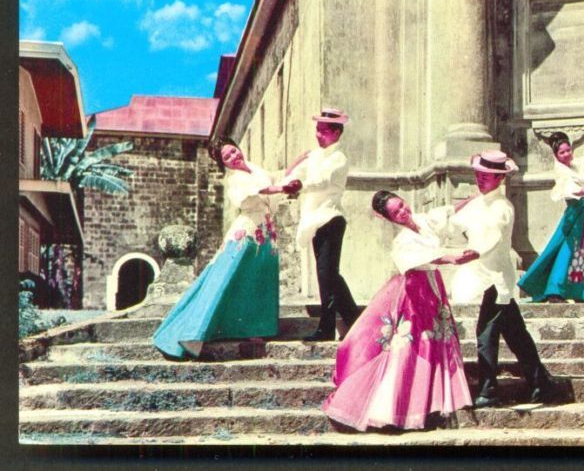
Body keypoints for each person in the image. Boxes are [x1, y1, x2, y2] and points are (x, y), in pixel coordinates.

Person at [322, 191, 474, 431]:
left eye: (402, 205)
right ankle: (400, 405)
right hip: (415, 291)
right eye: (396, 212)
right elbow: (428, 257)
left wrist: (473, 199)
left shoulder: (423, 220)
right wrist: (452, 258)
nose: (403, 212)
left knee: (437, 339)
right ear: (389, 218)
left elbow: (448, 211)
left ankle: (435, 398)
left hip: (433, 286)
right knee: (414, 343)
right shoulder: (401, 241)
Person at [448, 150, 572, 408]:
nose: (481, 179)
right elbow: (455, 221)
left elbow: (492, 236)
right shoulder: (479, 202)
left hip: (497, 280)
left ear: (499, 178)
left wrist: (474, 250)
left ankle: (488, 390)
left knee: (486, 334)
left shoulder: (502, 207)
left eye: (487, 176)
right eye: (478, 175)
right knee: (517, 336)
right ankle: (542, 383)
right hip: (487, 278)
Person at [153, 138, 296, 359]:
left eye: (233, 151)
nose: (234, 157)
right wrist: (284, 187)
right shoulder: (235, 179)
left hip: (266, 233)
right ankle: (192, 330)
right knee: (223, 279)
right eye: (227, 157)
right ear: (224, 163)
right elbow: (264, 189)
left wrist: (295, 166)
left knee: (258, 280)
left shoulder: (254, 169)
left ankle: (255, 328)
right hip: (247, 233)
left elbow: (274, 180)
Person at [284, 108, 360, 341]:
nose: (318, 135)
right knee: (328, 275)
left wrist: (299, 185)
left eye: (324, 131)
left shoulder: (339, 158)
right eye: (317, 130)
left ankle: (328, 327)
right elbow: (291, 176)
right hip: (316, 221)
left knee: (328, 274)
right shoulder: (315, 156)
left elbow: (321, 181)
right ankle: (355, 321)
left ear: (336, 133)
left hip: (331, 219)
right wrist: (296, 165)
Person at [517, 132, 584, 303]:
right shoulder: (562, 171)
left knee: (582, 251)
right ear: (556, 155)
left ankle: (579, 291)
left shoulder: (573, 167)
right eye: (562, 152)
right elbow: (575, 191)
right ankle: (554, 289)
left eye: (568, 150)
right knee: (566, 249)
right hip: (577, 212)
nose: (567, 154)